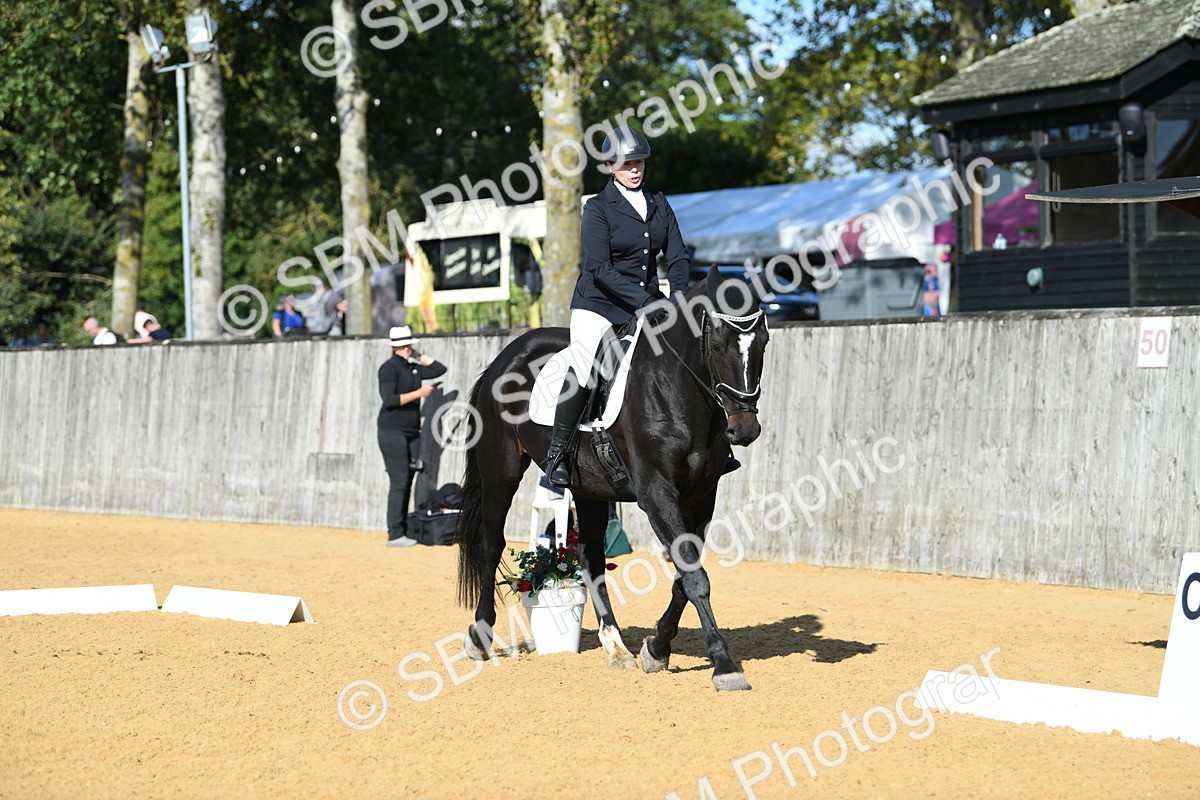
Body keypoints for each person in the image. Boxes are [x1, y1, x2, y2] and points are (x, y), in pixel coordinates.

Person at [543, 126, 690, 487]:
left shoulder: (659, 203)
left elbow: (677, 257)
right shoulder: (597, 208)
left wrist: (678, 299)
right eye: (626, 164)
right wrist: (647, 301)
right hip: (599, 304)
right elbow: (599, 268)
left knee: (687, 353)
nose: (634, 169)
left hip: (648, 303)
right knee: (585, 364)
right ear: (610, 166)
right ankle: (558, 454)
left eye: (639, 162)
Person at [378, 325, 447, 547]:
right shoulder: (389, 369)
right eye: (407, 345)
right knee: (399, 481)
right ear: (398, 347)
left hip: (411, 431)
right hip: (392, 430)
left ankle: (403, 529)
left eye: (410, 345)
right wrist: (420, 393)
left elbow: (439, 369)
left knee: (408, 479)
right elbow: (389, 400)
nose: (409, 348)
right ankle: (394, 533)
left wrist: (418, 355)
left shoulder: (412, 367)